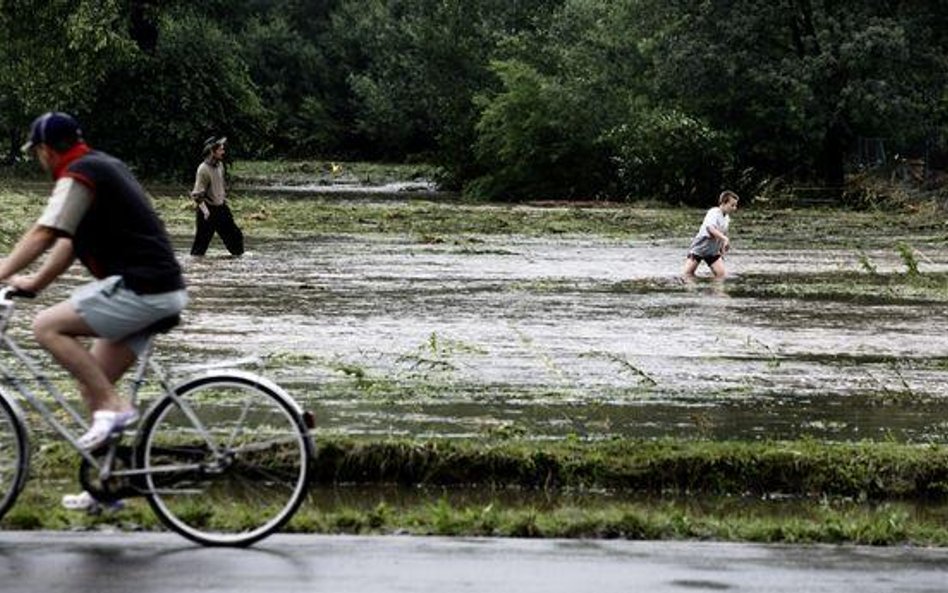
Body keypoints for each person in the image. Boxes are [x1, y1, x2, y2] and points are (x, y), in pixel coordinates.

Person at [0, 112, 187, 509]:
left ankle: (117, 408)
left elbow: (44, 232)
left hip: (143, 288)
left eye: (36, 154)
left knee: (46, 326)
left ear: (46, 150)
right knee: (93, 381)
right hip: (160, 289)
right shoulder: (101, 166)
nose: (38, 160)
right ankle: (106, 485)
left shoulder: (79, 173)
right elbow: (67, 242)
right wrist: (34, 283)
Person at [189, 136, 244, 256]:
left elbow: (220, 185)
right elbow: (197, 195)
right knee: (200, 247)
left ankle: (238, 265)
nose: (223, 152)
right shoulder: (203, 169)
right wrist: (206, 212)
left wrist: (223, 199)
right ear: (212, 152)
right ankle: (197, 267)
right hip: (207, 211)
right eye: (220, 150)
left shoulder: (220, 166)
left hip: (221, 208)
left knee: (236, 237)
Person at [682, 190, 740, 280]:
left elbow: (722, 233)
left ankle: (714, 292)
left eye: (735, 206)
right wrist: (724, 238)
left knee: (721, 274)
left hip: (712, 250)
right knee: (688, 274)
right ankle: (692, 292)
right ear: (723, 203)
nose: (734, 208)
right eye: (732, 205)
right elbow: (710, 229)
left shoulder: (727, 218)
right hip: (700, 247)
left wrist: (722, 247)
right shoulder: (714, 212)